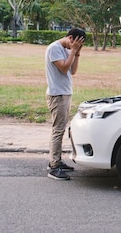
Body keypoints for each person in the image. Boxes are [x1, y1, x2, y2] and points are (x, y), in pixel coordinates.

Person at [44, 28, 86, 180]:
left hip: (65, 93)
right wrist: (73, 51)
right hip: (57, 95)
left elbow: (73, 70)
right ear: (70, 38)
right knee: (58, 130)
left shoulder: (68, 49)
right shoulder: (54, 48)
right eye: (76, 43)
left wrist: (77, 52)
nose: (75, 47)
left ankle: (57, 161)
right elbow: (63, 68)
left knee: (61, 129)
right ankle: (53, 166)